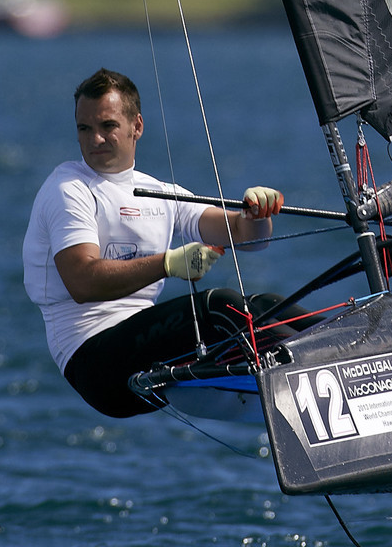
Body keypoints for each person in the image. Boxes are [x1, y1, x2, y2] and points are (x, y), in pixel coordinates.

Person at [23, 67, 285, 418]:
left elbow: (244, 238)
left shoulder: (158, 193)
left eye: (107, 126)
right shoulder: (68, 189)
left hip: (144, 353)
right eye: (84, 129)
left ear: (137, 126)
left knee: (266, 305)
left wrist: (256, 215)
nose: (94, 139)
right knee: (221, 307)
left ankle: (358, 356)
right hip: (95, 365)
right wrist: (167, 263)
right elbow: (82, 281)